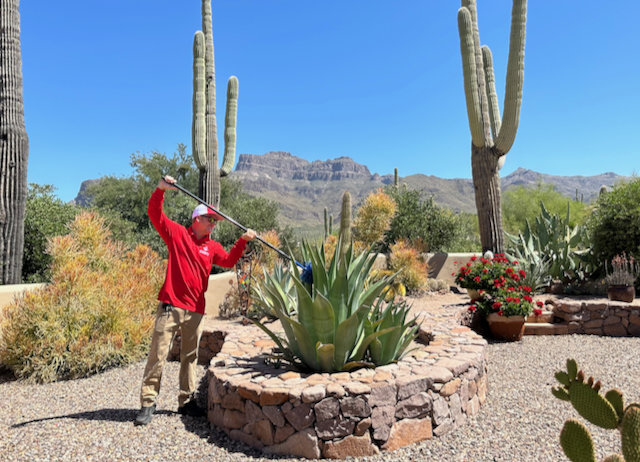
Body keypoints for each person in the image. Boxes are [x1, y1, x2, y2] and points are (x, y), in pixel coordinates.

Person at [135, 175, 256, 426]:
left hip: (196, 310)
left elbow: (229, 261)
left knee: (190, 357)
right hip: (171, 305)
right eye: (210, 219)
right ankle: (148, 402)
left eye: (215, 221)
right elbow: (155, 213)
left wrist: (242, 242)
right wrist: (160, 190)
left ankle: (186, 401)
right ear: (197, 219)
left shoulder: (212, 247)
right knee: (158, 354)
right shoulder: (177, 234)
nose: (213, 224)